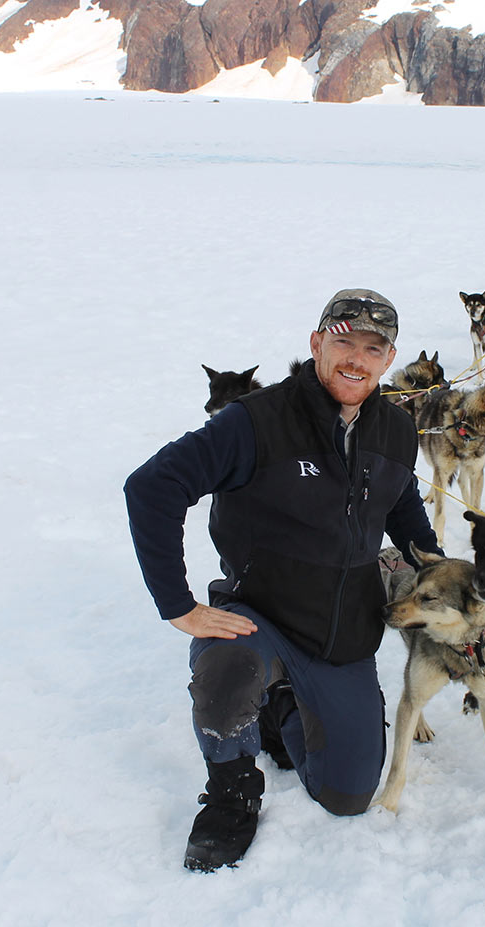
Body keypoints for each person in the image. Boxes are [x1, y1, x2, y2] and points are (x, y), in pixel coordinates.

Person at [124, 289, 440, 872]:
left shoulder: (396, 429)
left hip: (343, 634)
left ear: (388, 359)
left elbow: (402, 507)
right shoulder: (256, 420)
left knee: (346, 795)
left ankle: (283, 705)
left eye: (373, 348)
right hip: (260, 614)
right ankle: (231, 792)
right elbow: (152, 487)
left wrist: (439, 574)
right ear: (317, 344)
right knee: (228, 663)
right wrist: (177, 604)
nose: (357, 359)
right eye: (344, 342)